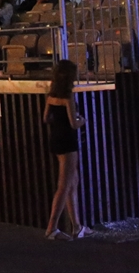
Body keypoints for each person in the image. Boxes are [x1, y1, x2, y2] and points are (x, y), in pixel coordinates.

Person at [43, 59, 90, 240]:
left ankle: (76, 226)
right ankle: (51, 228)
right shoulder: (68, 97)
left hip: (55, 138)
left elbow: (46, 118)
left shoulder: (51, 95)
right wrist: (83, 121)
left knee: (72, 181)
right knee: (64, 186)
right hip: (68, 141)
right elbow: (73, 123)